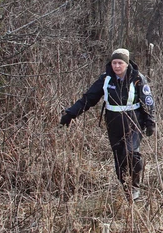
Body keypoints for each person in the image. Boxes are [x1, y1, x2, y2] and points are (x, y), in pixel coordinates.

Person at [60, 48, 156, 200]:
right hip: (113, 122)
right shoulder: (105, 79)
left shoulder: (137, 78)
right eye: (114, 63)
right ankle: (126, 187)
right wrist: (71, 114)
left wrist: (150, 122)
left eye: (120, 63)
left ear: (126, 63)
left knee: (132, 154)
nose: (117, 66)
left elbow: (148, 102)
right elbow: (89, 98)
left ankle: (135, 187)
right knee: (119, 159)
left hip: (134, 121)